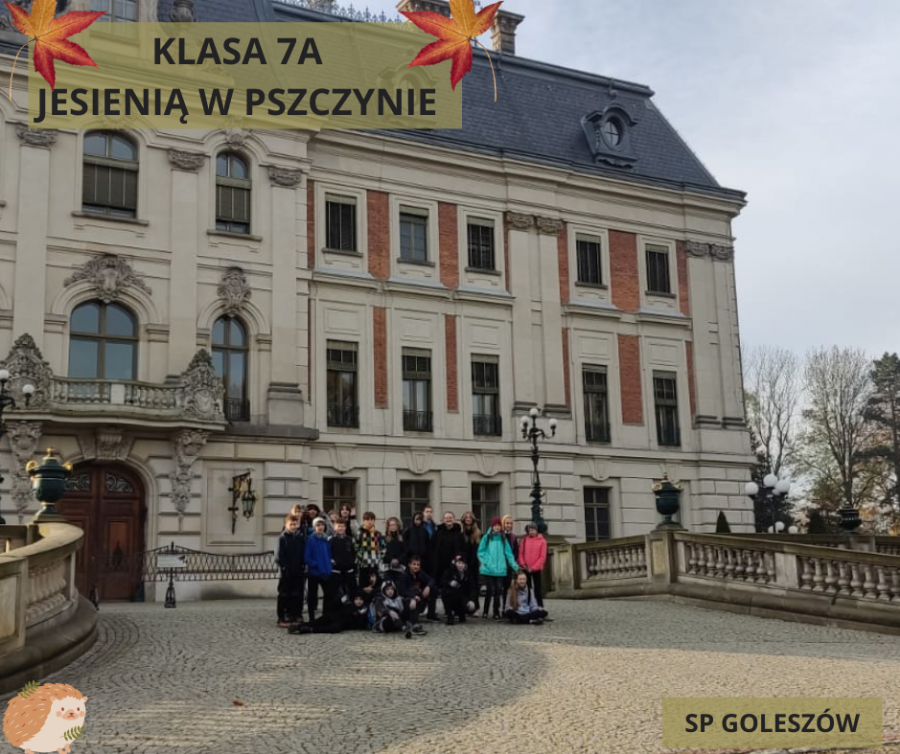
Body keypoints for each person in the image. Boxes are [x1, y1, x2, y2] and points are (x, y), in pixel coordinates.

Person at [478, 517, 520, 620]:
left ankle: (496, 611)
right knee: (489, 590)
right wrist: (486, 562)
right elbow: (480, 551)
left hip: (500, 570)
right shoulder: (487, 537)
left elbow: (509, 554)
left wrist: (515, 566)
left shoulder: (503, 538)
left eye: (498, 526)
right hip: (488, 569)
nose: (497, 527)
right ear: (492, 526)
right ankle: (485, 611)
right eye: (495, 525)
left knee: (498, 591)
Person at [430, 512, 466, 619]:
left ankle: (453, 611)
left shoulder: (458, 533)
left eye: (450, 518)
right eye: (446, 518)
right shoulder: (438, 532)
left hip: (453, 566)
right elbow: (432, 547)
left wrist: (460, 556)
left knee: (453, 588)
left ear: (454, 519)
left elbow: (463, 549)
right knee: (437, 588)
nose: (448, 519)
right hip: (439, 566)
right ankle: (432, 612)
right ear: (443, 520)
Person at [290, 590, 372, 635]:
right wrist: (341, 602)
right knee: (318, 621)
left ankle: (309, 629)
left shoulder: (364, 611)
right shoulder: (350, 606)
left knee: (334, 628)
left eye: (361, 599)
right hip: (333, 617)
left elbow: (360, 625)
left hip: (341, 624)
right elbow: (336, 607)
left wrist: (359, 615)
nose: (358, 601)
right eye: (356, 599)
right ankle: (300, 626)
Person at [275, 513, 305, 627]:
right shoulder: (282, 537)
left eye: (295, 524)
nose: (293, 526)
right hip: (286, 572)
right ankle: (282, 617)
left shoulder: (300, 537)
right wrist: (284, 567)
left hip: (298, 570)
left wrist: (303, 565)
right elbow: (278, 556)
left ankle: (296, 615)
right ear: (286, 524)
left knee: (297, 594)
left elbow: (303, 553)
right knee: (284, 595)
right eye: (291, 524)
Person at [304, 517, 333, 621]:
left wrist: (330, 565)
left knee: (328, 595)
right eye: (318, 525)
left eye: (322, 525)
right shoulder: (311, 539)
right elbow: (307, 556)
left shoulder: (326, 539)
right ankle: (312, 617)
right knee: (312, 596)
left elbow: (329, 553)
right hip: (314, 572)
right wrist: (315, 565)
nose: (320, 527)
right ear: (314, 527)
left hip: (326, 572)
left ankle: (326, 615)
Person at [518, 522, 548, 607]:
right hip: (526, 568)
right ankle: (527, 605)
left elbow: (542, 557)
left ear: (536, 530)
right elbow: (521, 553)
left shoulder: (542, 541)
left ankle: (540, 606)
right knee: (527, 588)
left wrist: (534, 567)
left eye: (532, 530)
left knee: (537, 589)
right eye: (529, 530)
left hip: (536, 569)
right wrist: (523, 564)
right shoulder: (524, 540)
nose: (531, 532)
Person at [460, 511, 482, 613]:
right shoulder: (461, 533)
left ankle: (475, 607)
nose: (468, 519)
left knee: (475, 585)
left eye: (470, 517)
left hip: (474, 563)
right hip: (464, 563)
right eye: (466, 517)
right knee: (464, 585)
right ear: (463, 520)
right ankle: (465, 606)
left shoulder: (478, 533)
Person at [330, 518, 357, 600]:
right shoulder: (331, 540)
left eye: (342, 526)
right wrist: (332, 561)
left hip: (349, 571)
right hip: (336, 571)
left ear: (345, 527)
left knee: (352, 593)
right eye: (338, 526)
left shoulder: (350, 540)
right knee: (336, 595)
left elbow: (354, 553)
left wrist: (353, 565)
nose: (340, 528)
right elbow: (328, 554)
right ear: (334, 527)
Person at [356, 512, 385, 588]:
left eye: (372, 519)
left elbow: (383, 546)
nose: (369, 521)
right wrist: (359, 556)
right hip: (363, 563)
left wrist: (379, 557)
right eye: (367, 519)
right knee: (363, 584)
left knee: (375, 584)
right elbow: (355, 546)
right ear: (363, 521)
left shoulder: (378, 533)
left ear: (374, 521)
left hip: (374, 562)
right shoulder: (359, 533)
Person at [501, 515, 519, 609]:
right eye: (507, 523)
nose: (509, 525)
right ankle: (499, 608)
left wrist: (512, 563)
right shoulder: (499, 536)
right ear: (503, 524)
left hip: (509, 566)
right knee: (499, 588)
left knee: (508, 587)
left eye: (510, 523)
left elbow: (516, 552)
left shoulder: (513, 537)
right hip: (500, 565)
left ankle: (506, 607)